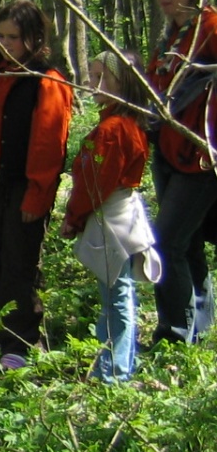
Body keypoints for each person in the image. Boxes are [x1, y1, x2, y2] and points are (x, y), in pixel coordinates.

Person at [0, 0, 73, 370]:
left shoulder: (47, 80)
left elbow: (48, 145)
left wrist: (38, 195)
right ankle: (3, 331)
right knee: (1, 260)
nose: (7, 44)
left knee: (21, 262)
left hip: (27, 186)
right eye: (1, 36)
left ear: (34, 38)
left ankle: (21, 342)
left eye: (15, 38)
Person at [59, 50, 157, 382]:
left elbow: (97, 184)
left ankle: (116, 372)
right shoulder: (114, 123)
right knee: (115, 294)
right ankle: (115, 363)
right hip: (115, 217)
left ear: (122, 82)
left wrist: (73, 216)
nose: (92, 82)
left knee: (117, 295)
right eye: (92, 74)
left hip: (113, 220)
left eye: (101, 76)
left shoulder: (115, 129)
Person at [146, 0, 217, 345]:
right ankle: (199, 329)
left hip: (200, 157)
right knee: (186, 243)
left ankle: (173, 334)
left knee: (165, 241)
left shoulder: (210, 27)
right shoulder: (171, 35)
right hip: (168, 152)